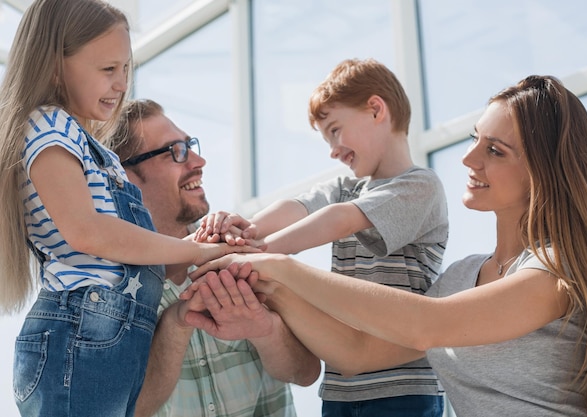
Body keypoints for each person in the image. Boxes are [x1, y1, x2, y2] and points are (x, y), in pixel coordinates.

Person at [189, 74, 587, 417]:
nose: (469, 159)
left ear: (543, 171)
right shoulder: (461, 278)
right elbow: (359, 353)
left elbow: (425, 326)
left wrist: (278, 265)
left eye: (495, 150)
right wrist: (267, 286)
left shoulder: (555, 271)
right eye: (475, 139)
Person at [0, 1, 257, 416]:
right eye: (107, 70)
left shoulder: (94, 148)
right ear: (53, 66)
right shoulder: (51, 126)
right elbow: (89, 232)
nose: (121, 84)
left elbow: (126, 250)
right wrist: (195, 251)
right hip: (80, 333)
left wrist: (207, 243)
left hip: (108, 334)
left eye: (125, 70)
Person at [196, 58, 448, 417]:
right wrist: (247, 230)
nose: (332, 149)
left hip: (403, 389)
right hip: (340, 390)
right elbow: (299, 207)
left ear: (376, 109)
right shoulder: (345, 187)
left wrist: (259, 252)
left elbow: (340, 220)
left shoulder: (420, 186)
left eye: (334, 130)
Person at [108, 98, 321, 417]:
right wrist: (177, 324)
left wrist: (265, 330)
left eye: (190, 145)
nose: (198, 160)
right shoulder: (105, 289)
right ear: (123, 177)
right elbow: (124, 409)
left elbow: (305, 373)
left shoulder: (238, 249)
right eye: (175, 151)